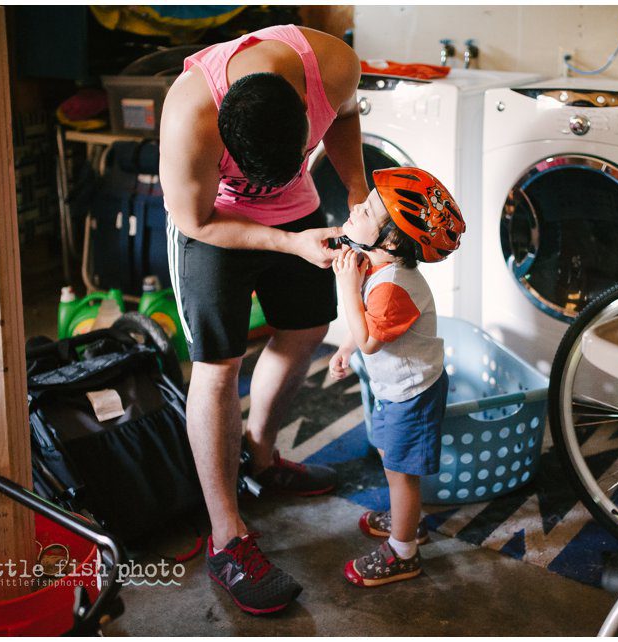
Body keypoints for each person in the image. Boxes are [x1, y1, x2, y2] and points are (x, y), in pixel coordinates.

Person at [159, 24, 369, 615]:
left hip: (297, 210)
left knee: (306, 328)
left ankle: (262, 457)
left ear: (306, 108)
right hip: (213, 219)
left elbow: (347, 116)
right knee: (217, 365)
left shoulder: (333, 65)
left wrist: (355, 190)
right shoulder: (190, 111)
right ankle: (227, 538)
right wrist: (291, 245)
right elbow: (196, 222)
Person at [328, 168, 465, 587]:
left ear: (389, 240)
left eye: (367, 209)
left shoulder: (394, 287)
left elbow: (370, 337)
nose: (356, 207)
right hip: (397, 390)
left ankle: (404, 551)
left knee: (400, 474)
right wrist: (345, 346)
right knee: (392, 460)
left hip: (413, 394)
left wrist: (347, 288)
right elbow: (365, 330)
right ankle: (407, 521)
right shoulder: (378, 265)